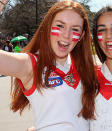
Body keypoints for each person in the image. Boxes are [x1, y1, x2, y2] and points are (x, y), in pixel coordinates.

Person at [0, 1, 98, 131]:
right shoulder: (31, 64)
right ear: (48, 26)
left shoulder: (86, 66)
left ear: (82, 36)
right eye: (60, 25)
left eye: (75, 29)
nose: (66, 35)